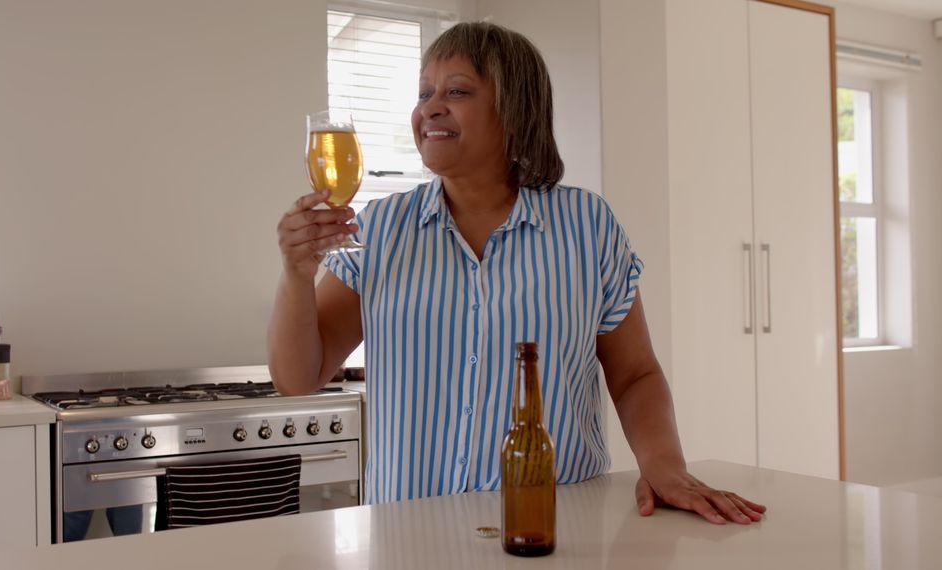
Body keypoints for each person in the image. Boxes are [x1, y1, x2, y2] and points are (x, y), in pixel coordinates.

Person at [269, 21, 766, 525]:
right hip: (408, 534)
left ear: (515, 109)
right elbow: (297, 378)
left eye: (457, 91)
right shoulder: (379, 229)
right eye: (424, 93)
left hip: (557, 525)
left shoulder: (587, 225)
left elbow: (636, 374)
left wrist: (664, 465)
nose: (430, 107)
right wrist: (295, 274)